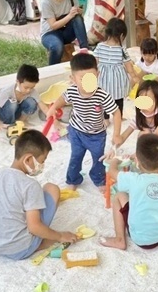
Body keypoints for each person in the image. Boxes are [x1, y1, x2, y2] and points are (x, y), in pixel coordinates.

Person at [0, 129, 80, 260]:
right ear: (28, 159)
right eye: (42, 161)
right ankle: (39, 244)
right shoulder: (30, 185)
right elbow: (34, 227)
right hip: (19, 249)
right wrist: (60, 236)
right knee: (52, 189)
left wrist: (1, 199)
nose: (42, 165)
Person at [46, 53, 123, 190]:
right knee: (75, 157)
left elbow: (116, 113)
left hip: (97, 135)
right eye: (83, 79)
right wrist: (53, 108)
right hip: (76, 131)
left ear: (98, 74)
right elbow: (62, 99)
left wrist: (116, 134)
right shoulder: (72, 91)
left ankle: (98, 179)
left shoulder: (102, 95)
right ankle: (73, 180)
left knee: (98, 159)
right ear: (73, 79)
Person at [99, 133, 158, 251]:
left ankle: (119, 239)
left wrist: (115, 160)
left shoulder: (133, 179)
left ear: (138, 162)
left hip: (142, 239)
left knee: (118, 196)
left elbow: (112, 172)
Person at [39, 0, 89, 66]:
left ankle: (84, 50)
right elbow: (53, 26)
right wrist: (70, 15)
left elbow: (76, 20)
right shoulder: (47, 2)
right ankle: (52, 70)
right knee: (57, 47)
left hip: (66, 33)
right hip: (49, 33)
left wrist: (78, 12)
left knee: (77, 18)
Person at [92, 18, 137, 114]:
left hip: (103, 79)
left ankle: (106, 118)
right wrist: (134, 76)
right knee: (119, 99)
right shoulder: (121, 49)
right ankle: (119, 115)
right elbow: (129, 66)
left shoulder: (100, 46)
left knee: (103, 99)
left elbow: (94, 62)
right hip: (118, 81)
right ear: (121, 35)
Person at [0, 64, 49, 134]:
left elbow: (42, 106)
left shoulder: (32, 91)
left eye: (32, 87)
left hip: (17, 112)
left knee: (32, 102)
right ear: (18, 82)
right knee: (12, 104)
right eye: (26, 87)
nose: (28, 90)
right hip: (5, 113)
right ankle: (10, 124)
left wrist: (52, 117)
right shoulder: (7, 91)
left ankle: (20, 121)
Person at [134, 38, 158, 106]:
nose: (147, 57)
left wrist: (155, 79)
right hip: (147, 88)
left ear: (155, 53)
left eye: (150, 55)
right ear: (141, 53)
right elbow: (134, 71)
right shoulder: (140, 62)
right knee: (137, 76)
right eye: (145, 54)